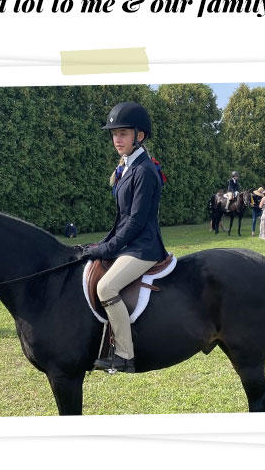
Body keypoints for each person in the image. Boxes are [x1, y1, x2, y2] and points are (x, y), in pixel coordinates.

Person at [80, 101, 168, 373]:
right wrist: (102, 244)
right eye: (114, 134)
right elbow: (122, 218)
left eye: (123, 133)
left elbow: (135, 221)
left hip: (143, 247)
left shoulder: (143, 171)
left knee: (106, 288)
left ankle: (125, 354)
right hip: (130, 243)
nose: (117, 139)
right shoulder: (127, 167)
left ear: (138, 136)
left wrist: (107, 248)